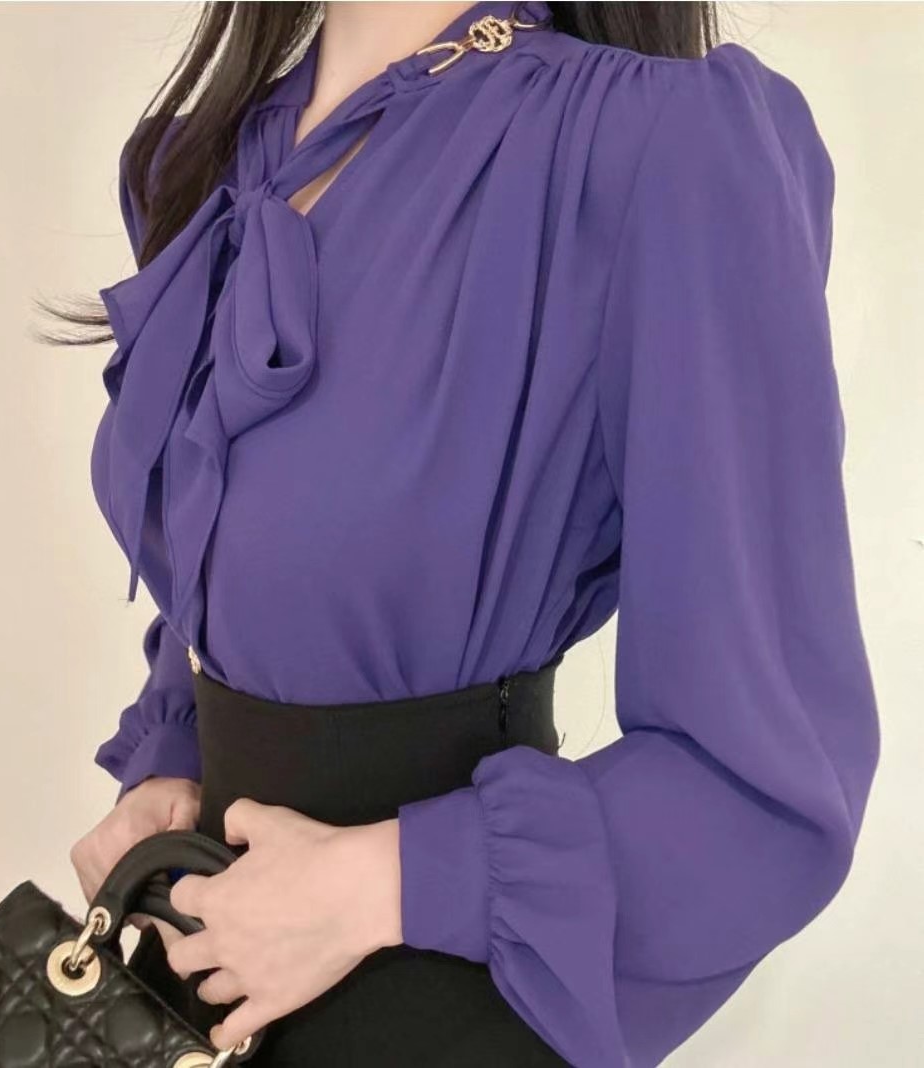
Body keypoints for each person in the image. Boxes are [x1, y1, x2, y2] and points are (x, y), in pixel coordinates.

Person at [45, 2, 881, 1065]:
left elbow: (767, 782)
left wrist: (385, 883)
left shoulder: (658, 146)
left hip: (438, 998)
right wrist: (171, 761)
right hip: (200, 966)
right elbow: (243, 551)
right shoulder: (206, 162)